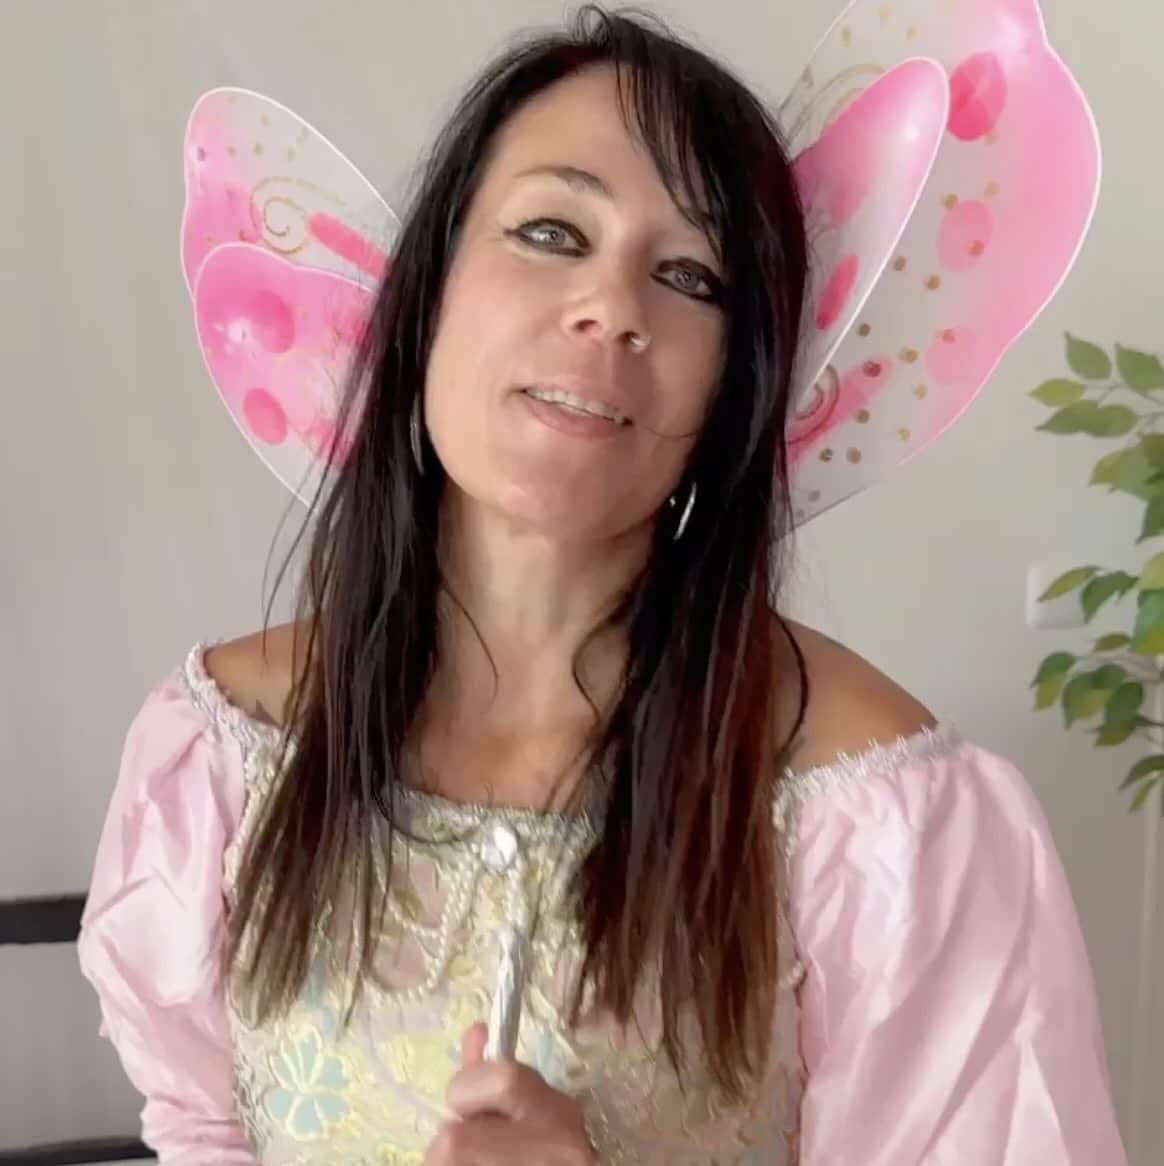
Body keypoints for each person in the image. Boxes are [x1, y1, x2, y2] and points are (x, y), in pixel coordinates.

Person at [78, 7, 1128, 1163]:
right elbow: (200, 1126)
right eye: (551, 231)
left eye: (689, 274)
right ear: (425, 298)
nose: (614, 309)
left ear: (736, 385)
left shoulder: (887, 818)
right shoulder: (221, 752)